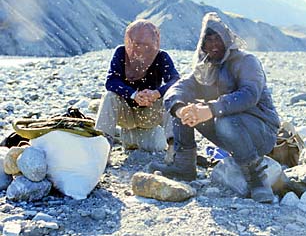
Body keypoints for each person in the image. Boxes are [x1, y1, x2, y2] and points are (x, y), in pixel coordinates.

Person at [149, 12, 280, 203]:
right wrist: (181, 109)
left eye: (217, 38)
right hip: (227, 131)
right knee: (187, 108)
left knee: (224, 120)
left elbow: (249, 95)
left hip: (260, 132)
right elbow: (179, 88)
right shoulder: (206, 67)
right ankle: (185, 166)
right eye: (208, 40)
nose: (213, 44)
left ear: (227, 39)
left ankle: (257, 177)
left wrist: (210, 109)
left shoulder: (246, 61)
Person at [95, 19, 180, 151]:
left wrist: (156, 94)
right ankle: (101, 150)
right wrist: (133, 95)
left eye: (145, 45)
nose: (139, 50)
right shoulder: (121, 54)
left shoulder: (161, 57)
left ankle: (175, 151)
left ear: (154, 43)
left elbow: (175, 81)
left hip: (150, 112)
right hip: (127, 113)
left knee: (173, 97)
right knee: (109, 96)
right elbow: (111, 81)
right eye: (135, 44)